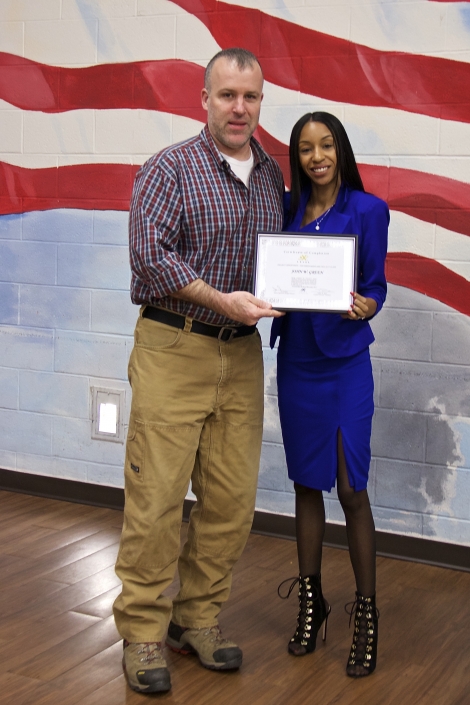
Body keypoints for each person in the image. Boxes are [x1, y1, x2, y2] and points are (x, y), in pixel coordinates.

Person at [113, 48, 284, 694]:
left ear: (262, 102)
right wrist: (222, 298)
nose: (240, 108)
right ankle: (144, 631)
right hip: (174, 344)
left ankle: (197, 617)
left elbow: (289, 263)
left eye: (251, 97)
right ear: (204, 99)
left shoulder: (272, 177)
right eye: (227, 96)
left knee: (231, 501)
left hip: (240, 355)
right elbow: (149, 258)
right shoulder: (169, 169)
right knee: (156, 498)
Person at [272, 112, 388, 677]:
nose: (316, 156)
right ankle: (311, 602)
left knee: (351, 489)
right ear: (296, 156)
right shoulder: (288, 210)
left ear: (339, 149)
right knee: (305, 484)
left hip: (343, 364)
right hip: (296, 358)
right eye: (305, 148)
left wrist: (368, 305)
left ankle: (366, 614)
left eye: (325, 145)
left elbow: (375, 286)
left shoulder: (368, 210)